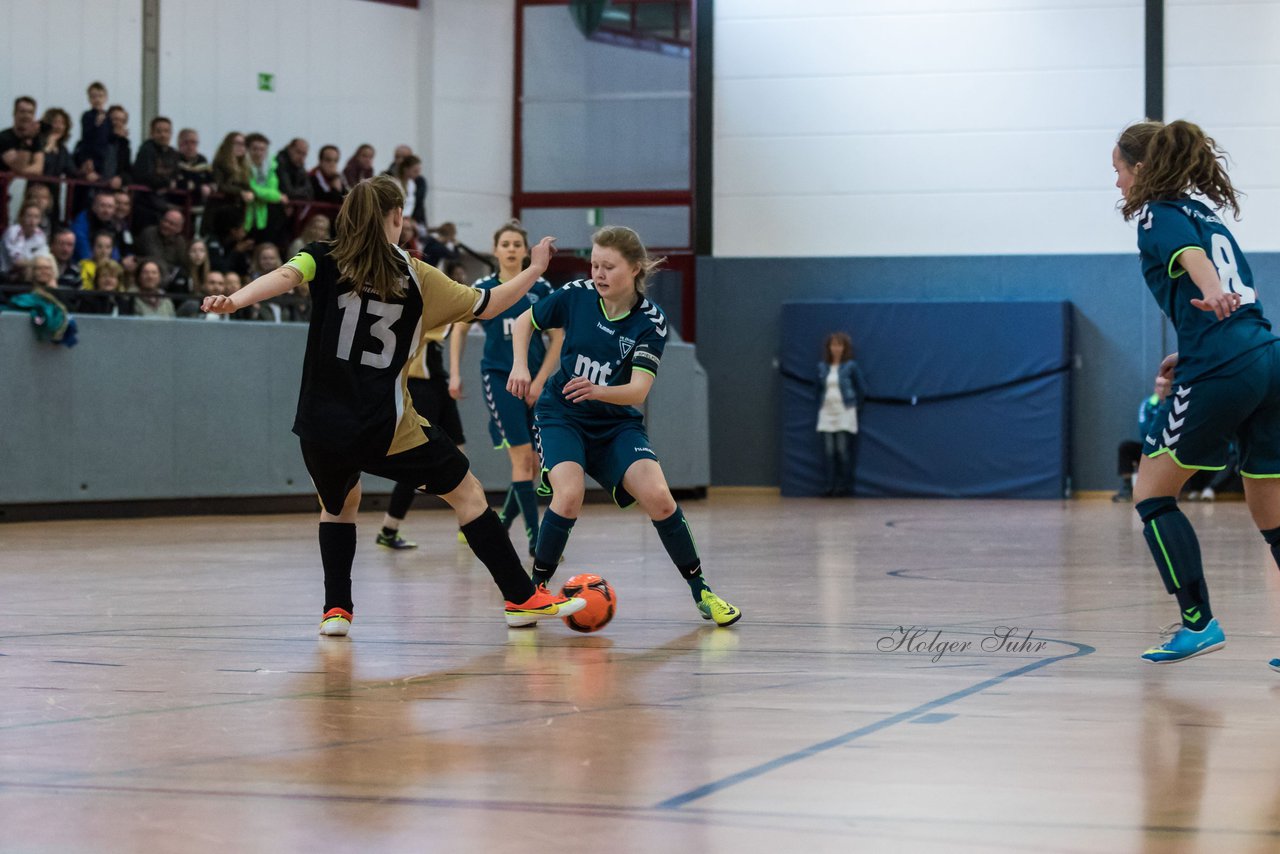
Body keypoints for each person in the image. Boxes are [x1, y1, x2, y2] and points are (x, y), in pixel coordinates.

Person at [199, 174, 585, 634]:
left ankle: (336, 611)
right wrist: (535, 268)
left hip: (318, 426)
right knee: (468, 494)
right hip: (385, 425)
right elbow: (489, 303)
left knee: (339, 505)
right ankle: (521, 598)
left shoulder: (323, 256)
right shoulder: (418, 276)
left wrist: (235, 299)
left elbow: (284, 276)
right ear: (397, 217)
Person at [507, 225, 743, 627]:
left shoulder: (650, 322)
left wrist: (598, 391)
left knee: (660, 498)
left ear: (634, 269)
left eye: (608, 267)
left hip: (616, 423)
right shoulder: (577, 296)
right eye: (595, 264)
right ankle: (533, 592)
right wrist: (520, 365)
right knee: (569, 494)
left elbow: (637, 391)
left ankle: (701, 589)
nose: (598, 274)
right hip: (562, 414)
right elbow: (524, 321)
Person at [1113, 119, 1280, 670]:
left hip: (1224, 364)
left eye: (1117, 171)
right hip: (1265, 354)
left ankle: (1197, 622)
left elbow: (1195, 263)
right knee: (1270, 511)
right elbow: (1225, 278)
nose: (1116, 184)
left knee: (1151, 493)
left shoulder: (1156, 214)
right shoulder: (1204, 214)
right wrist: (1200, 336)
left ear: (1140, 169)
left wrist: (1211, 298)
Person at [450, 221, 562, 556]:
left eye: (517, 244)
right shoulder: (485, 287)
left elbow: (558, 337)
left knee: (532, 463)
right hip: (499, 378)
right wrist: (454, 374)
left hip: (534, 381)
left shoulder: (540, 288)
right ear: (496, 249)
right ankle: (536, 540)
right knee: (521, 458)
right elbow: (458, 329)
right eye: (506, 244)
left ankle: (502, 524)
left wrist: (540, 381)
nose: (512, 249)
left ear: (526, 251)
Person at [376, 260, 472, 550]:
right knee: (418, 461)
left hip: (438, 387)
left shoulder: (434, 313)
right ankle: (389, 529)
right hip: (419, 389)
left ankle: (468, 523)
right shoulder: (418, 312)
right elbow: (457, 319)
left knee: (458, 451)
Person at [816, 331, 868, 497]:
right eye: (833, 345)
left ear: (844, 348)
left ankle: (844, 486)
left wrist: (855, 406)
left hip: (844, 411)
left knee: (842, 450)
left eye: (839, 345)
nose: (836, 348)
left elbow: (862, 388)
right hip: (827, 411)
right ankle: (829, 486)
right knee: (829, 451)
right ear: (829, 347)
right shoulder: (822, 367)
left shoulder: (851, 366)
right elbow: (817, 389)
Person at [1113, 379, 1170, 502]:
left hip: (1169, 450)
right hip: (1149, 448)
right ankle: (1127, 489)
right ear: (1155, 387)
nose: (1162, 389)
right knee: (1125, 447)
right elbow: (1145, 429)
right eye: (1159, 385)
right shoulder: (1148, 404)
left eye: (1166, 386)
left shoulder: (1175, 404)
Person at [2, 202, 48, 282]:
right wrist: (35, 264)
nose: (32, 221)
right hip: (5, 275)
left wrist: (35, 264)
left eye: (36, 217)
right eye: (29, 216)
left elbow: (44, 259)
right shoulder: (13, 231)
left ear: (40, 220)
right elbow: (17, 262)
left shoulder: (40, 235)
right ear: (21, 217)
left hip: (28, 274)